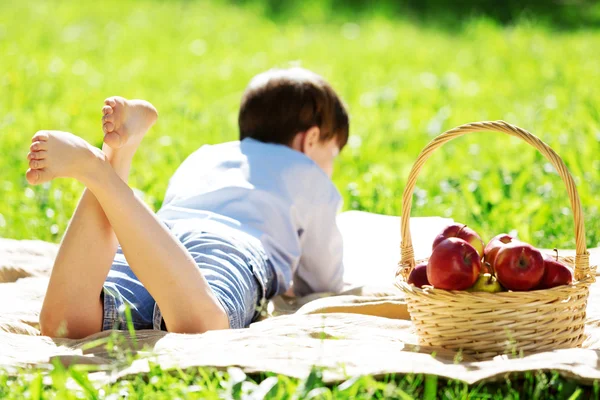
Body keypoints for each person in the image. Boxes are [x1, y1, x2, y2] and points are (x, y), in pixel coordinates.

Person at [29, 67, 349, 339]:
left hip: (160, 240)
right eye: (332, 154)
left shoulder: (206, 155)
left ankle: (113, 160)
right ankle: (99, 170)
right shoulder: (308, 172)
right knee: (203, 326)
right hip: (231, 248)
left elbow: (157, 226)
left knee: (67, 323)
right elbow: (323, 279)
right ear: (310, 140)